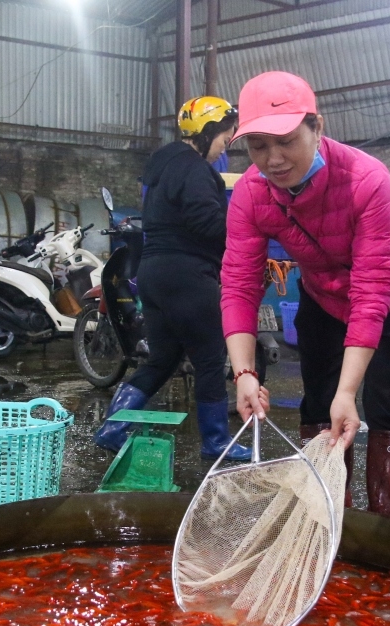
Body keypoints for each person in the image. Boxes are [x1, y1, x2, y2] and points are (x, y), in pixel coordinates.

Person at [220, 72, 390, 518]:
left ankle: (383, 521)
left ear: (316, 127)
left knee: (388, 404)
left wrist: (350, 390)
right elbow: (240, 282)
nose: (274, 159)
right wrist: (243, 372)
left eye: (285, 140)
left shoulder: (366, 180)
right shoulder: (250, 193)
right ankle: (330, 512)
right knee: (319, 401)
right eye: (258, 145)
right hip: (323, 290)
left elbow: (374, 289)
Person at [93, 96, 251, 461]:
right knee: (211, 359)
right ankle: (216, 442)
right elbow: (204, 222)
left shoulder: (162, 164)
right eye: (225, 137)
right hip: (188, 277)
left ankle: (113, 427)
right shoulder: (195, 169)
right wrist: (246, 230)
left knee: (161, 359)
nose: (225, 146)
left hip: (152, 272)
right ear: (208, 131)